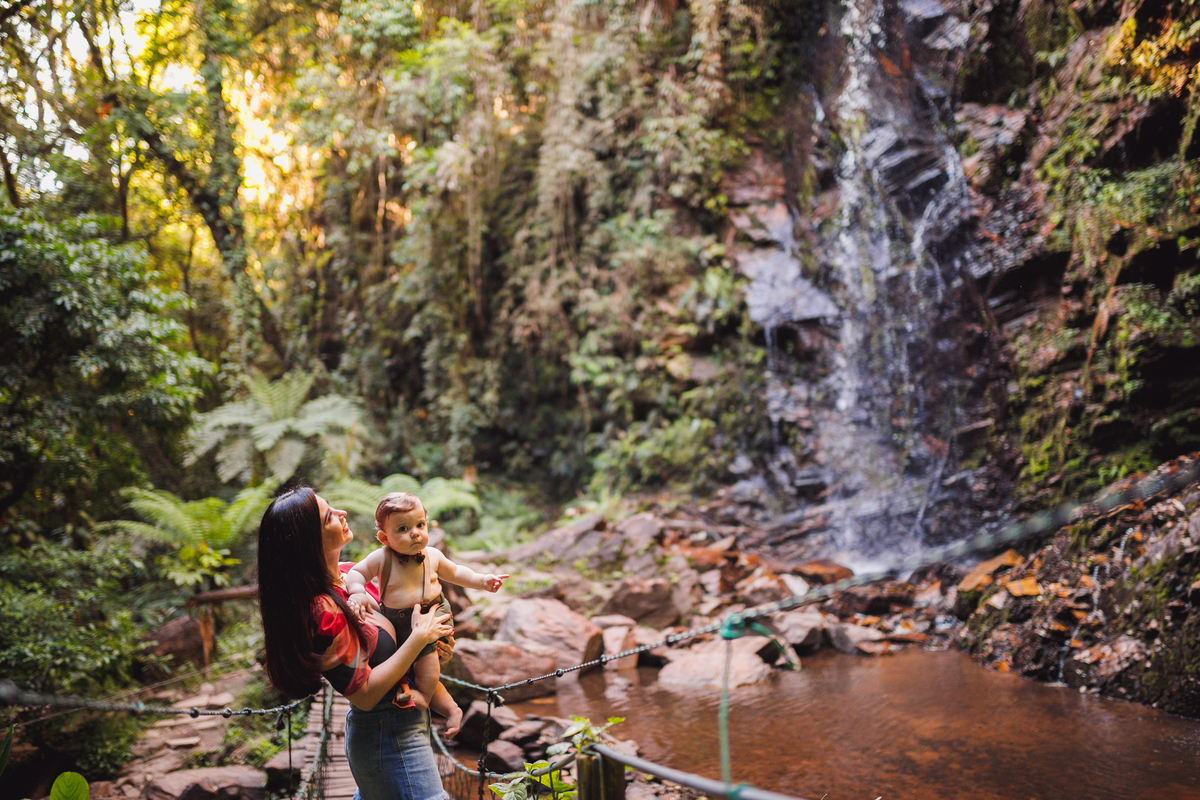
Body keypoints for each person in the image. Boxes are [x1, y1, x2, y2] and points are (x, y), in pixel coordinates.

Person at [258, 486, 455, 800]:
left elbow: (395, 643)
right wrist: (418, 640)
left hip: (405, 724)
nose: (342, 514)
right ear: (308, 541)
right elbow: (363, 696)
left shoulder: (350, 577)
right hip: (385, 733)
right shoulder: (322, 612)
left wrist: (432, 645)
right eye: (328, 518)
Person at [345, 492, 508, 739]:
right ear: (384, 537)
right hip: (394, 619)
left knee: (427, 662)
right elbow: (356, 573)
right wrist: (356, 593)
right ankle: (451, 707)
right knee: (411, 666)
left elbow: (457, 573)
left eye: (420, 525)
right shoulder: (382, 558)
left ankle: (426, 697)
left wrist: (482, 581)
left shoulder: (432, 555)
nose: (415, 532)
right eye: (403, 528)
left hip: (430, 613)